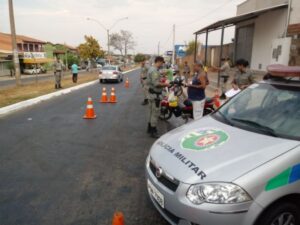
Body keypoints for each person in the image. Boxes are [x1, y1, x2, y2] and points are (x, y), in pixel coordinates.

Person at [147, 56, 170, 138]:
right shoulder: (154, 71)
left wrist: (162, 79)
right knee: (155, 113)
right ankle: (153, 131)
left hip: (151, 94)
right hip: (155, 95)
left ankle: (149, 128)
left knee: (151, 112)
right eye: (161, 63)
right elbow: (156, 84)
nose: (161, 65)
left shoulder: (152, 69)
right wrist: (166, 84)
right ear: (159, 61)